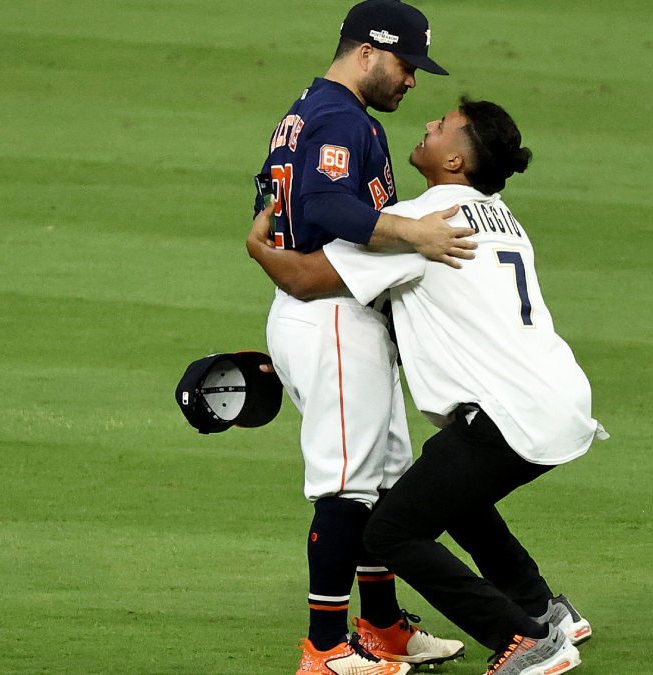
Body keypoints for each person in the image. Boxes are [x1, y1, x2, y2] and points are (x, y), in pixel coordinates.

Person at [247, 98, 608, 675]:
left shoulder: (422, 225)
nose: (428, 126)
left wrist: (258, 245)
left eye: (442, 127)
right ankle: (545, 610)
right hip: (559, 399)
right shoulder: (499, 215)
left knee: (391, 531)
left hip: (509, 413)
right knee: (448, 495)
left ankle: (524, 639)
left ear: (458, 160)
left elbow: (304, 279)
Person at [252, 1, 471, 673]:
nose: (411, 81)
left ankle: (380, 625)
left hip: (341, 313)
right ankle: (324, 647)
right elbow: (321, 206)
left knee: (382, 479)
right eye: (406, 65)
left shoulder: (312, 111)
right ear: (368, 52)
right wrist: (414, 233)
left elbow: (270, 196)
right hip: (330, 312)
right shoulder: (341, 117)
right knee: (347, 481)